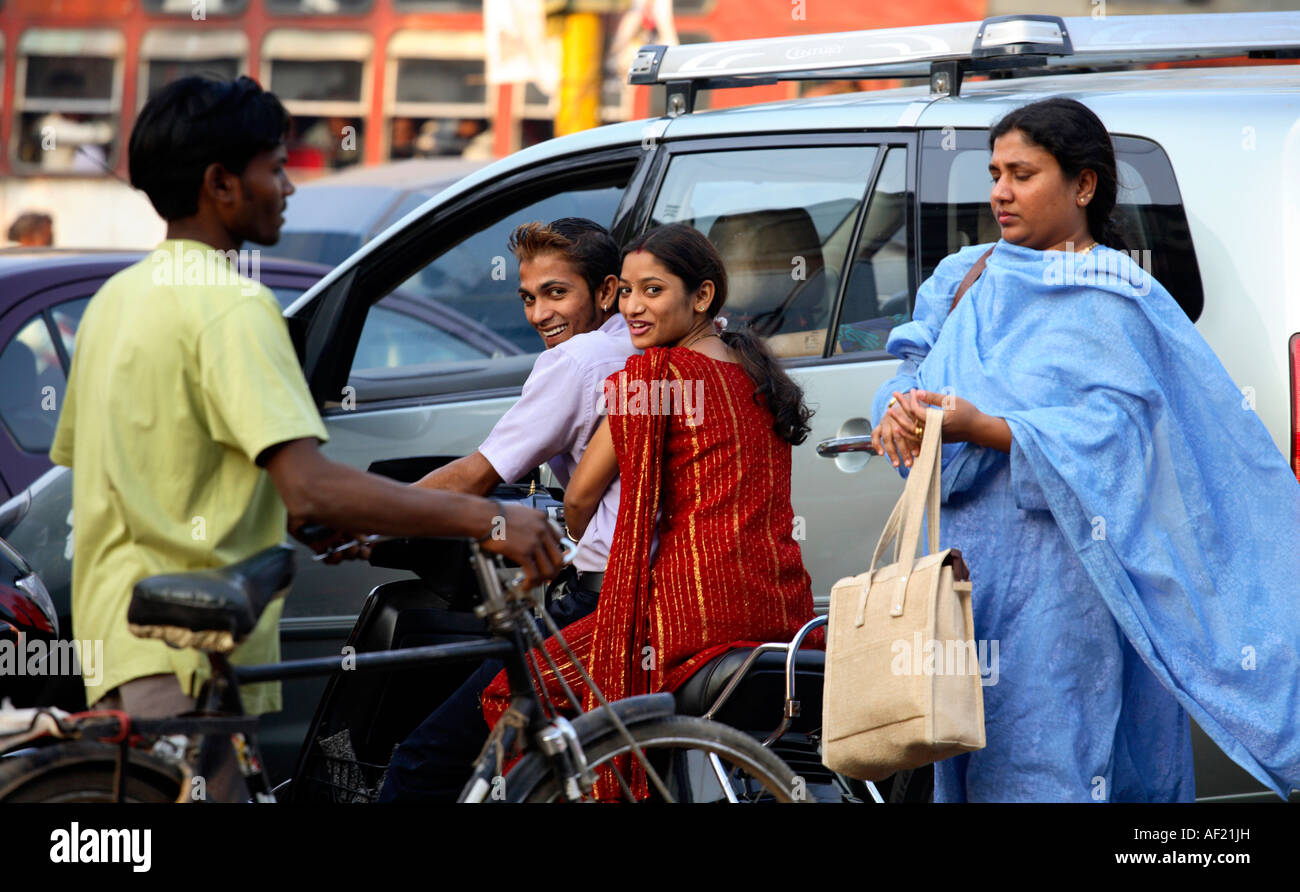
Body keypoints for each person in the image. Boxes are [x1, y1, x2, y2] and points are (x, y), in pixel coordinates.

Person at [50, 75, 562, 796]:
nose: (288, 186)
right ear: (221, 182)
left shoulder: (114, 301)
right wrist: (487, 514)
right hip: (185, 647)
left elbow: (150, 467)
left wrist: (299, 520)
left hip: (120, 637)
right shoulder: (233, 306)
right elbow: (310, 482)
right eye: (274, 167)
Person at [869, 97, 1300, 802]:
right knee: (971, 761)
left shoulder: (1119, 298)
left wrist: (991, 430)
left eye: (1023, 173)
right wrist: (899, 410)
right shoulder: (965, 275)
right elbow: (914, 366)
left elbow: (1120, 444)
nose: (1001, 191)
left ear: (1084, 185)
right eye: (995, 172)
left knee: (1062, 763)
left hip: (1069, 592)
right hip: (964, 585)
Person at [481, 222, 821, 800]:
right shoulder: (758, 373)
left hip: (689, 621)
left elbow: (581, 498)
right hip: (779, 613)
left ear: (702, 296)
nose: (634, 308)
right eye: (628, 293)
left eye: (653, 291)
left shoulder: (654, 374)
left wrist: (573, 541)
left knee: (510, 695)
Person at [379, 217, 633, 802]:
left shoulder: (579, 361)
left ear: (605, 291)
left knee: (424, 762)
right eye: (527, 297)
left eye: (556, 293)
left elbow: (477, 474)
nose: (539, 314)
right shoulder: (645, 345)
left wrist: (376, 514)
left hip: (600, 600)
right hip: (651, 590)